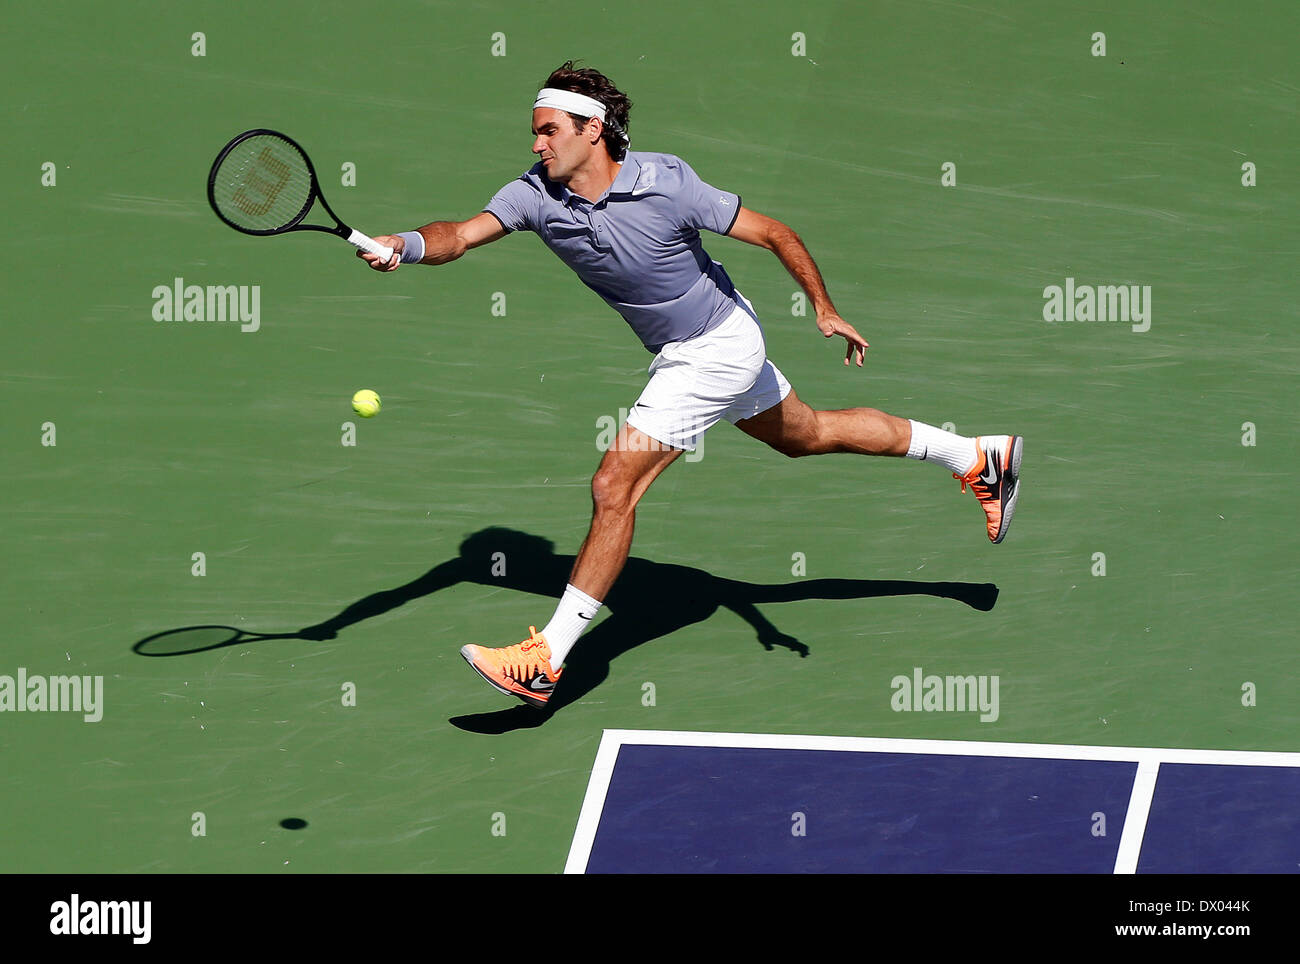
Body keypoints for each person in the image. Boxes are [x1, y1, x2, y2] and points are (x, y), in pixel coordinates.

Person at [358, 61, 1023, 711]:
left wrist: (821, 306)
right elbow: (461, 235)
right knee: (808, 434)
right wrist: (406, 244)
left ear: (593, 130)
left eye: (549, 130)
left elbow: (773, 232)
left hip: (716, 346)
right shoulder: (533, 194)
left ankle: (547, 659)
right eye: (535, 132)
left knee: (613, 486)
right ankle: (975, 457)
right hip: (702, 349)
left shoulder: (667, 182)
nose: (537, 144)